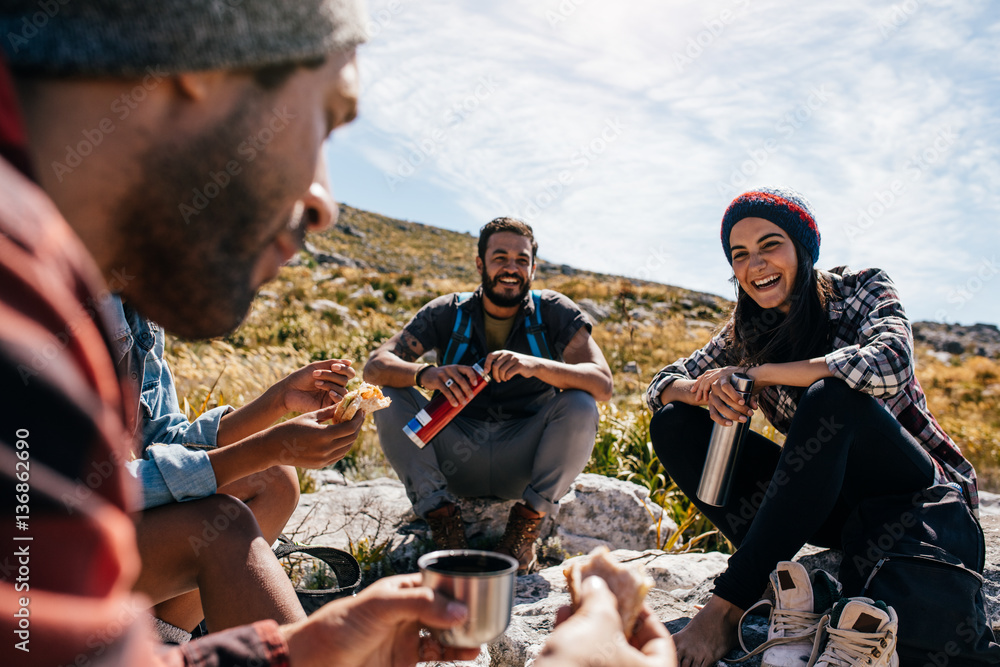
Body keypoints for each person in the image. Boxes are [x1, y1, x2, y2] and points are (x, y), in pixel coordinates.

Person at [0, 0, 483, 664]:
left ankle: (165, 634)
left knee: (263, 489)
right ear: (206, 55)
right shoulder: (18, 300)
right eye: (326, 119)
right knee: (226, 519)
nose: (325, 201)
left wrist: (308, 647)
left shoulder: (93, 276)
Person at [644, 187, 978, 667]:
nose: (755, 265)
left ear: (803, 248)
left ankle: (725, 607)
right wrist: (705, 390)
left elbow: (888, 365)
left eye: (770, 245)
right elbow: (661, 384)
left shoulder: (860, 287)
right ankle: (766, 574)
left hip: (915, 497)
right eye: (740, 255)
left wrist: (756, 375)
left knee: (834, 394)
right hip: (836, 510)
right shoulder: (747, 328)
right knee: (675, 423)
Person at [364, 217, 613, 572]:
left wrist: (535, 366)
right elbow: (375, 366)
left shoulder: (555, 311)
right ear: (480, 263)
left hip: (524, 461)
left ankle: (523, 535)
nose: (511, 269)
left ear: (533, 267)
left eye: (521, 260)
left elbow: (602, 383)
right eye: (500, 258)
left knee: (580, 402)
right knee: (388, 392)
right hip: (455, 456)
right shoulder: (446, 312)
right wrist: (427, 374)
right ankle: (445, 527)